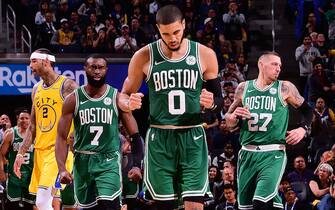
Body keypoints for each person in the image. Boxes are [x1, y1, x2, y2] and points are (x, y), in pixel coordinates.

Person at [120, 4, 224, 210]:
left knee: (194, 205)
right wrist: (128, 103)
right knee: (164, 205)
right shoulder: (143, 56)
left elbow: (219, 100)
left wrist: (211, 103)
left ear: (184, 25)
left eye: (176, 32)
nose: (173, 38)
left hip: (192, 136)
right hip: (160, 137)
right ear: (158, 30)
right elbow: (122, 95)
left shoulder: (205, 54)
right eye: (166, 34)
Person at [225, 51, 313, 210]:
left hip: (273, 153)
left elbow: (308, 111)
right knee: (246, 207)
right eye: (274, 64)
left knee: (260, 202)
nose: (278, 68)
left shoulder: (285, 87)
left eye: (280, 65)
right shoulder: (243, 88)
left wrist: (302, 129)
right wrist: (234, 117)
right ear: (261, 64)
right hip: (247, 153)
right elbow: (228, 120)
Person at [55, 54, 143, 210]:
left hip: (108, 161)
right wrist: (62, 169)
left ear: (106, 70)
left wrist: (136, 165)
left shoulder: (116, 97)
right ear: (85, 69)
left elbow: (135, 136)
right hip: (82, 161)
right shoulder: (73, 100)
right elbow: (61, 138)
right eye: (93, 67)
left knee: (108, 205)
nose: (97, 71)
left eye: (101, 68)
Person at [13, 48, 78, 210]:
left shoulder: (68, 85)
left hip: (59, 152)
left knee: (41, 202)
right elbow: (33, 125)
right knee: (52, 203)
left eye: (33, 61)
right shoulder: (36, 89)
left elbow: (81, 117)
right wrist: (21, 152)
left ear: (46, 62)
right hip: (40, 152)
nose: (30, 65)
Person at [0, 109, 35, 210]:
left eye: (26, 118)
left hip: (30, 176)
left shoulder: (35, 134)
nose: (24, 120)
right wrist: (2, 171)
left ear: (30, 120)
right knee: (12, 205)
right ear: (17, 119)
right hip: (14, 177)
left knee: (29, 205)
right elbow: (1, 153)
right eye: (21, 118)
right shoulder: (11, 133)